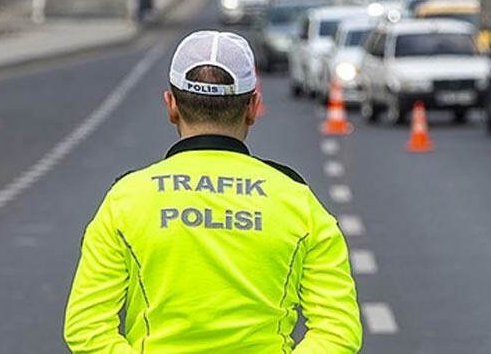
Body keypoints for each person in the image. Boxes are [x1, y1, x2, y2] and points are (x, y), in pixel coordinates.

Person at [64, 31, 362, 353]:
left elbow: (86, 327)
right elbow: (338, 331)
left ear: (171, 105)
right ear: (253, 107)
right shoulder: (297, 201)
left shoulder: (126, 200)